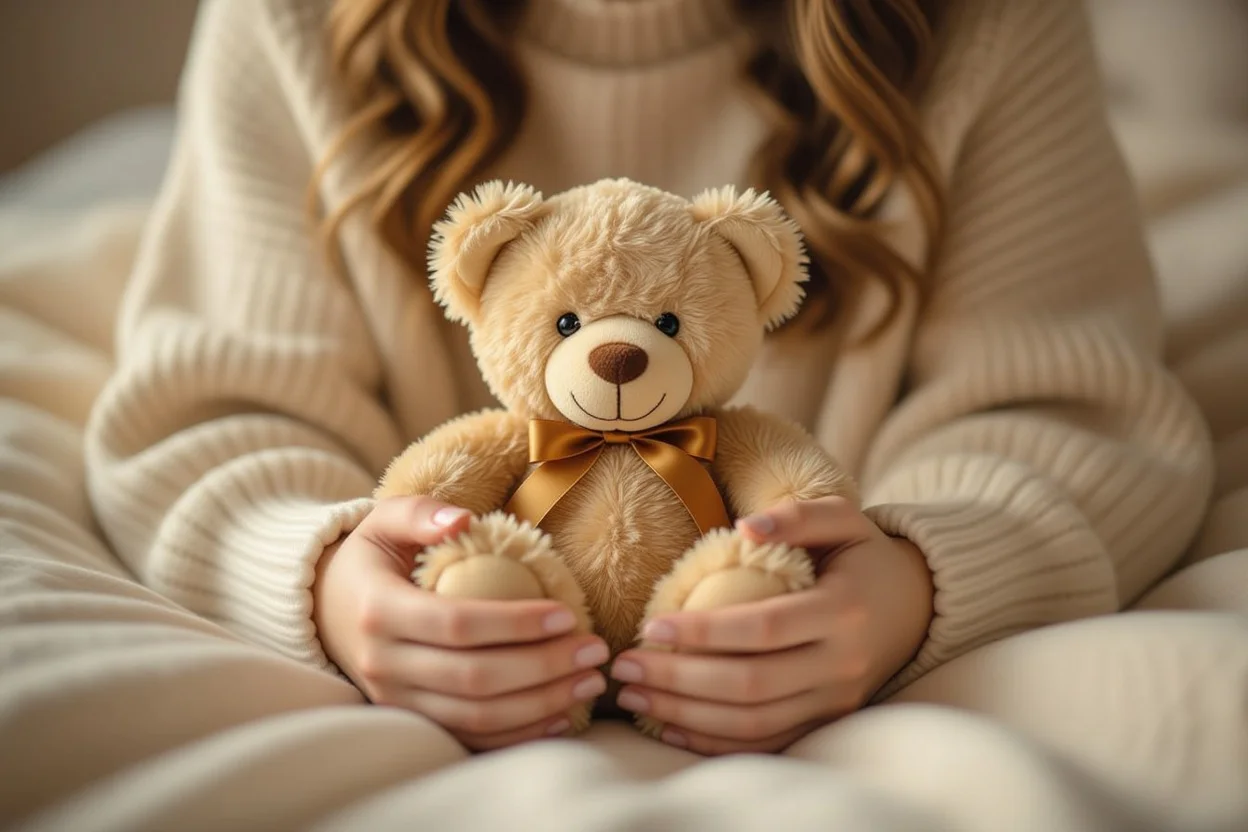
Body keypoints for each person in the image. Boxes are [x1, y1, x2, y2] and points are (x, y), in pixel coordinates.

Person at [83, 0, 1213, 758]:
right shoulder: (290, 22)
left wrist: (913, 583)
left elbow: (1069, 409)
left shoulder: (985, 24)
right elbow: (221, 406)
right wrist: (332, 582)